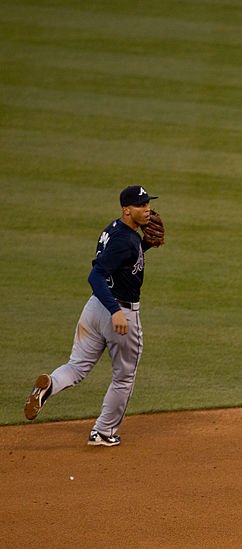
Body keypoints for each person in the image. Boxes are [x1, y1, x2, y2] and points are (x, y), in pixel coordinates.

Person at [23, 185, 164, 446]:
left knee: (76, 366)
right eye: (141, 206)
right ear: (126, 210)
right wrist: (116, 313)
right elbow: (95, 275)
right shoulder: (125, 240)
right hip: (118, 313)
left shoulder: (115, 230)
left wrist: (144, 246)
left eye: (147, 204)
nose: (147, 211)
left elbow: (120, 264)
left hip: (95, 308)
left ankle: (49, 386)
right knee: (124, 377)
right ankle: (103, 432)